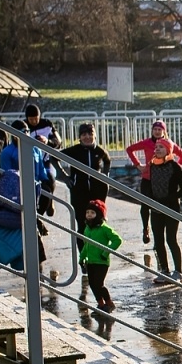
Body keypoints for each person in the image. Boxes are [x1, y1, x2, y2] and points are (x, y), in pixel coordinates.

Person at [60, 123, 111, 289]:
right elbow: (53, 157)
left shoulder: (99, 151)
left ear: (95, 135)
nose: (87, 137)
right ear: (79, 136)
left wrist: (105, 177)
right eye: (84, 134)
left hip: (96, 194)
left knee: (97, 226)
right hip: (79, 194)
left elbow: (107, 161)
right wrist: (65, 177)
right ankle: (84, 260)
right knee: (82, 226)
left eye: (90, 133)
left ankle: (98, 257)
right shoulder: (74, 150)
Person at [127, 120, 182, 244]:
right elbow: (130, 149)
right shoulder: (146, 143)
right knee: (145, 204)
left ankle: (160, 235)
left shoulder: (168, 144)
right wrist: (138, 165)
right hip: (148, 178)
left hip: (163, 181)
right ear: (152, 130)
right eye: (155, 129)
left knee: (161, 205)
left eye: (159, 129)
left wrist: (176, 170)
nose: (157, 131)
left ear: (164, 131)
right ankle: (145, 228)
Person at [144, 140, 182, 284]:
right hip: (156, 209)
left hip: (171, 208)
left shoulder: (174, 166)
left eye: (161, 147)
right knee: (158, 241)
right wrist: (151, 199)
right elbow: (149, 185)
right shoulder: (152, 166)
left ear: (168, 150)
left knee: (171, 239)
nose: (157, 149)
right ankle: (164, 270)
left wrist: (170, 199)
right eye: (156, 147)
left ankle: (179, 272)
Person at [77, 199, 122, 313]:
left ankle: (109, 303)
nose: (89, 215)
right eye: (87, 213)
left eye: (92, 213)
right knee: (92, 284)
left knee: (99, 284)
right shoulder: (87, 228)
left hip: (101, 261)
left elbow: (117, 240)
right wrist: (82, 258)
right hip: (90, 261)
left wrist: (105, 252)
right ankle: (100, 305)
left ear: (99, 214)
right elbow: (86, 245)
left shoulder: (104, 228)